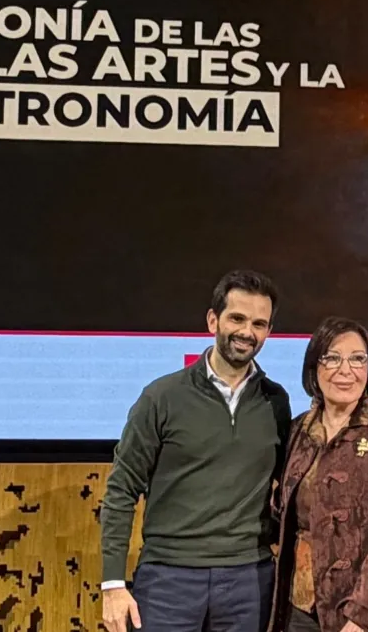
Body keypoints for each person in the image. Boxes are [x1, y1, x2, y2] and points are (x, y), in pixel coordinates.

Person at [100, 270, 292, 632]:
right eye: (237, 318)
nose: (247, 332)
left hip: (248, 581)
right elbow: (121, 491)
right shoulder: (161, 397)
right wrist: (112, 584)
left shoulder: (276, 401)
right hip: (168, 580)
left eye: (259, 323)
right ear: (212, 320)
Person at [268, 316, 368, 632]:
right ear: (314, 368)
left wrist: (361, 616)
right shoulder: (297, 431)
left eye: (357, 359)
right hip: (298, 609)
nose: (345, 370)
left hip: (362, 616)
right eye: (332, 358)